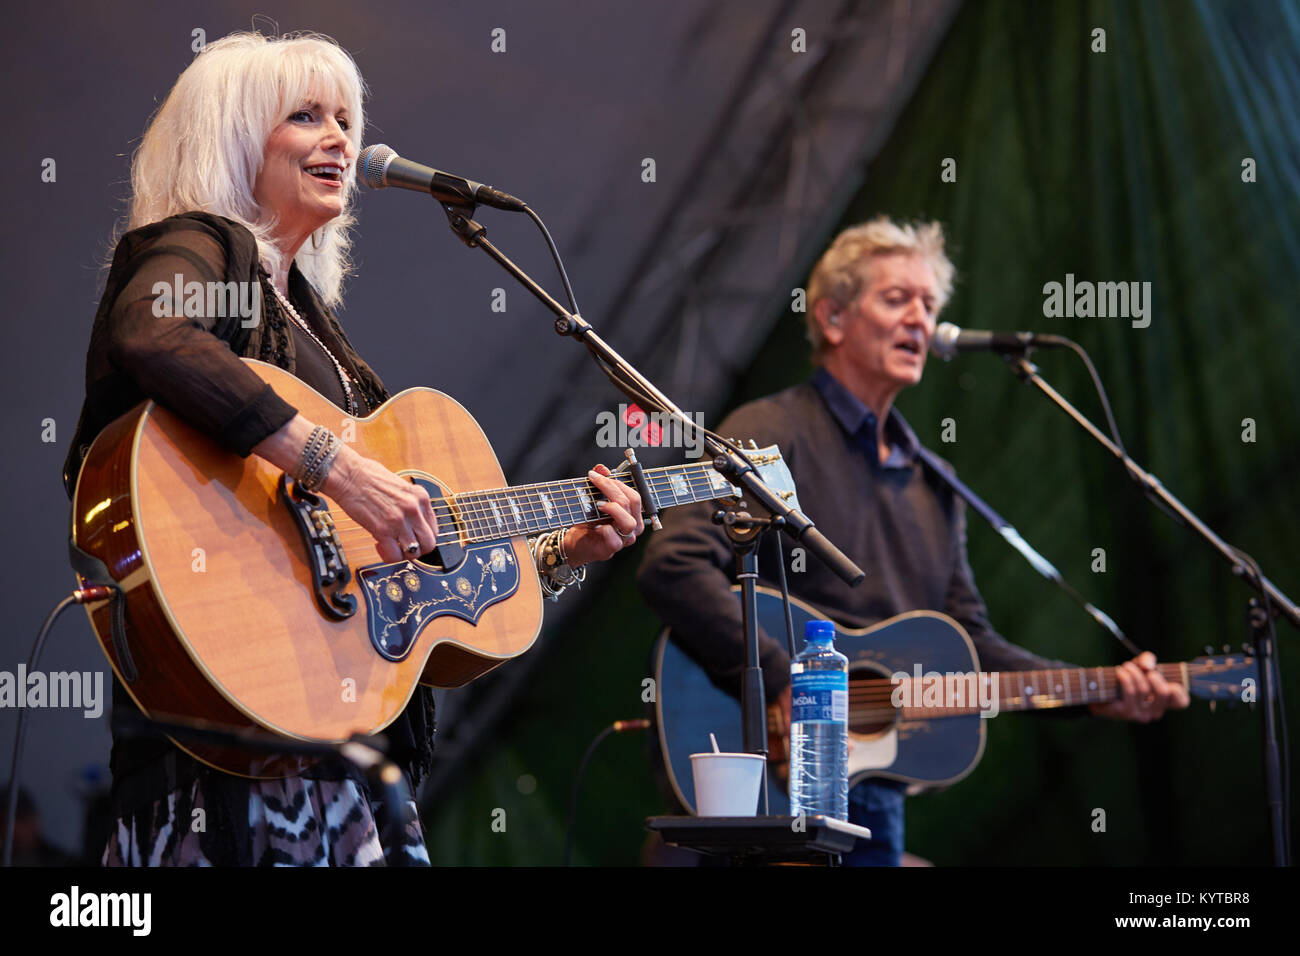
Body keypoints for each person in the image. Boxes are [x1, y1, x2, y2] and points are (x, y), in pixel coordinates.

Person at [61, 31, 644, 866]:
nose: (340, 137)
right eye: (305, 117)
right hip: (232, 753)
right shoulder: (207, 246)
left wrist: (558, 552)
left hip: (335, 746)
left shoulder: (318, 332)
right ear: (231, 139)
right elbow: (153, 333)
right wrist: (336, 468)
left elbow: (399, 577)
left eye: (344, 117)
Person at [635, 216, 1188, 866]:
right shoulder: (770, 432)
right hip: (756, 789)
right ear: (833, 319)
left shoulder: (936, 484)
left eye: (929, 305)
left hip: (869, 804)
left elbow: (970, 649)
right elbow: (674, 564)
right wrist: (784, 679)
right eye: (897, 299)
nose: (920, 321)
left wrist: (1097, 690)